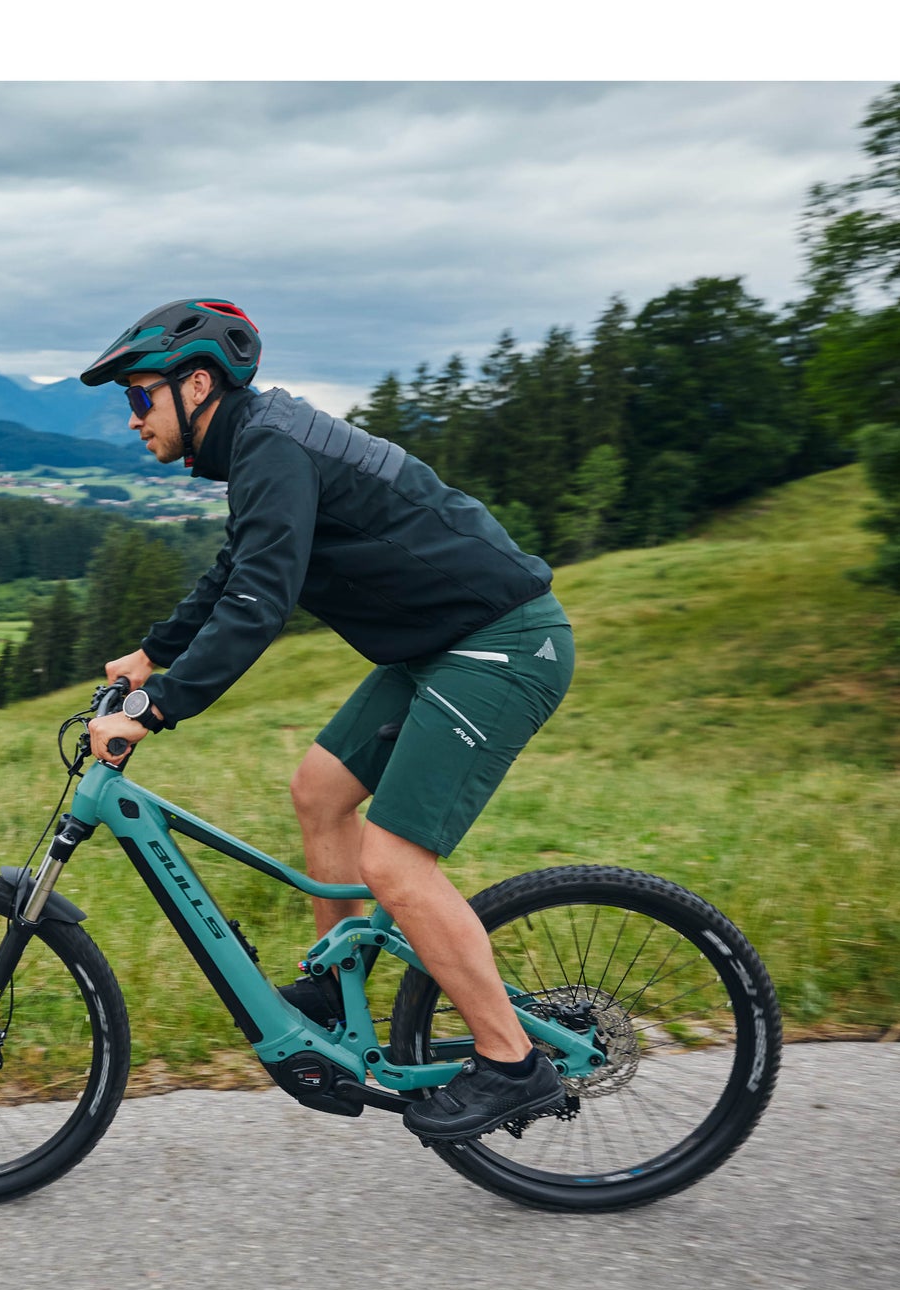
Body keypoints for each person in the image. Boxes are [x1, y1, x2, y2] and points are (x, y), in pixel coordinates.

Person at [80, 299, 577, 1142]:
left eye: (139, 399)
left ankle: (511, 1063)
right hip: (440, 645)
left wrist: (159, 708)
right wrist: (153, 653)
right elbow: (238, 565)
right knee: (319, 792)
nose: (133, 421)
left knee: (393, 860)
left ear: (196, 385)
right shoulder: (261, 444)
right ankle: (335, 995)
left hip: (499, 643)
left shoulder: (271, 444)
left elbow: (256, 601)